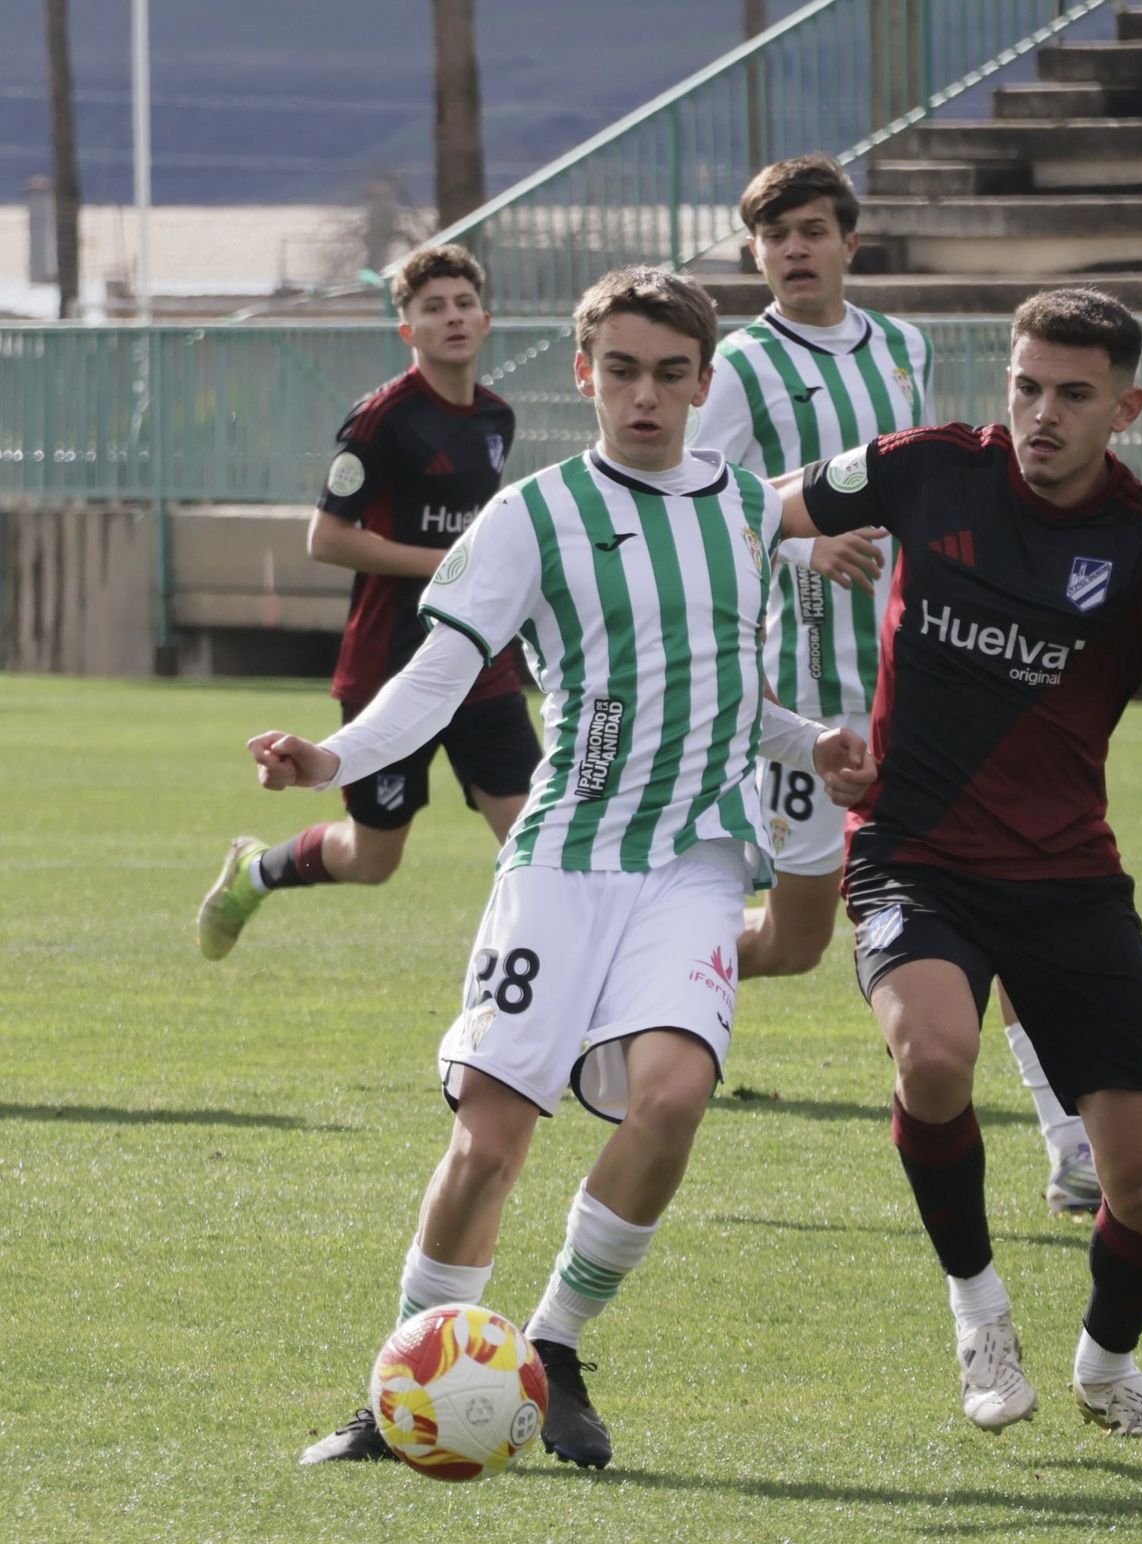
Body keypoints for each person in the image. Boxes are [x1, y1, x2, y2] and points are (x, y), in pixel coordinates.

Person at [254, 265, 875, 1470]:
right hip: (559, 856)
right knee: (491, 1138)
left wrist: (816, 743)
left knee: (674, 1096)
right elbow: (435, 680)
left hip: (694, 858)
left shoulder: (747, 509)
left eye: (672, 373)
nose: (646, 396)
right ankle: (406, 1383)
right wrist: (330, 754)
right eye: (624, 371)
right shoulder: (529, 516)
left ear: (703, 381)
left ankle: (556, 1344)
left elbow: (734, 696)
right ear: (585, 374)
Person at [776, 287, 1142, 1442]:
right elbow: (736, 522)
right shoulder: (921, 468)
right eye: (1026, 385)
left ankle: (1105, 1367)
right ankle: (978, 1310)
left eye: (1073, 395)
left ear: (1125, 407)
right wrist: (808, 539)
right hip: (912, 848)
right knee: (933, 1057)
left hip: (1068, 877)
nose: (1041, 412)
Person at [694, 152, 1099, 1215]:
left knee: (1000, 898)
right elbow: (699, 505)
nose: (793, 249)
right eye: (774, 234)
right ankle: (641, 983)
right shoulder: (736, 368)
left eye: (811, 230)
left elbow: (922, 473)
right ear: (755, 253)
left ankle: (1069, 1142)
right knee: (791, 940)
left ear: (848, 242)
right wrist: (801, 549)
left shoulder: (903, 346)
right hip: (806, 701)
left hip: (924, 685)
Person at [196, 243, 539, 959]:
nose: (451, 317)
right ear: (406, 330)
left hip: (480, 664)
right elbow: (326, 538)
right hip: (389, 664)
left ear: (486, 319)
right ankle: (256, 873)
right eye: (432, 308)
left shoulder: (497, 419)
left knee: (535, 836)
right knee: (374, 859)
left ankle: (545, 1001)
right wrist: (449, 565)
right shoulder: (380, 421)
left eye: (462, 304)